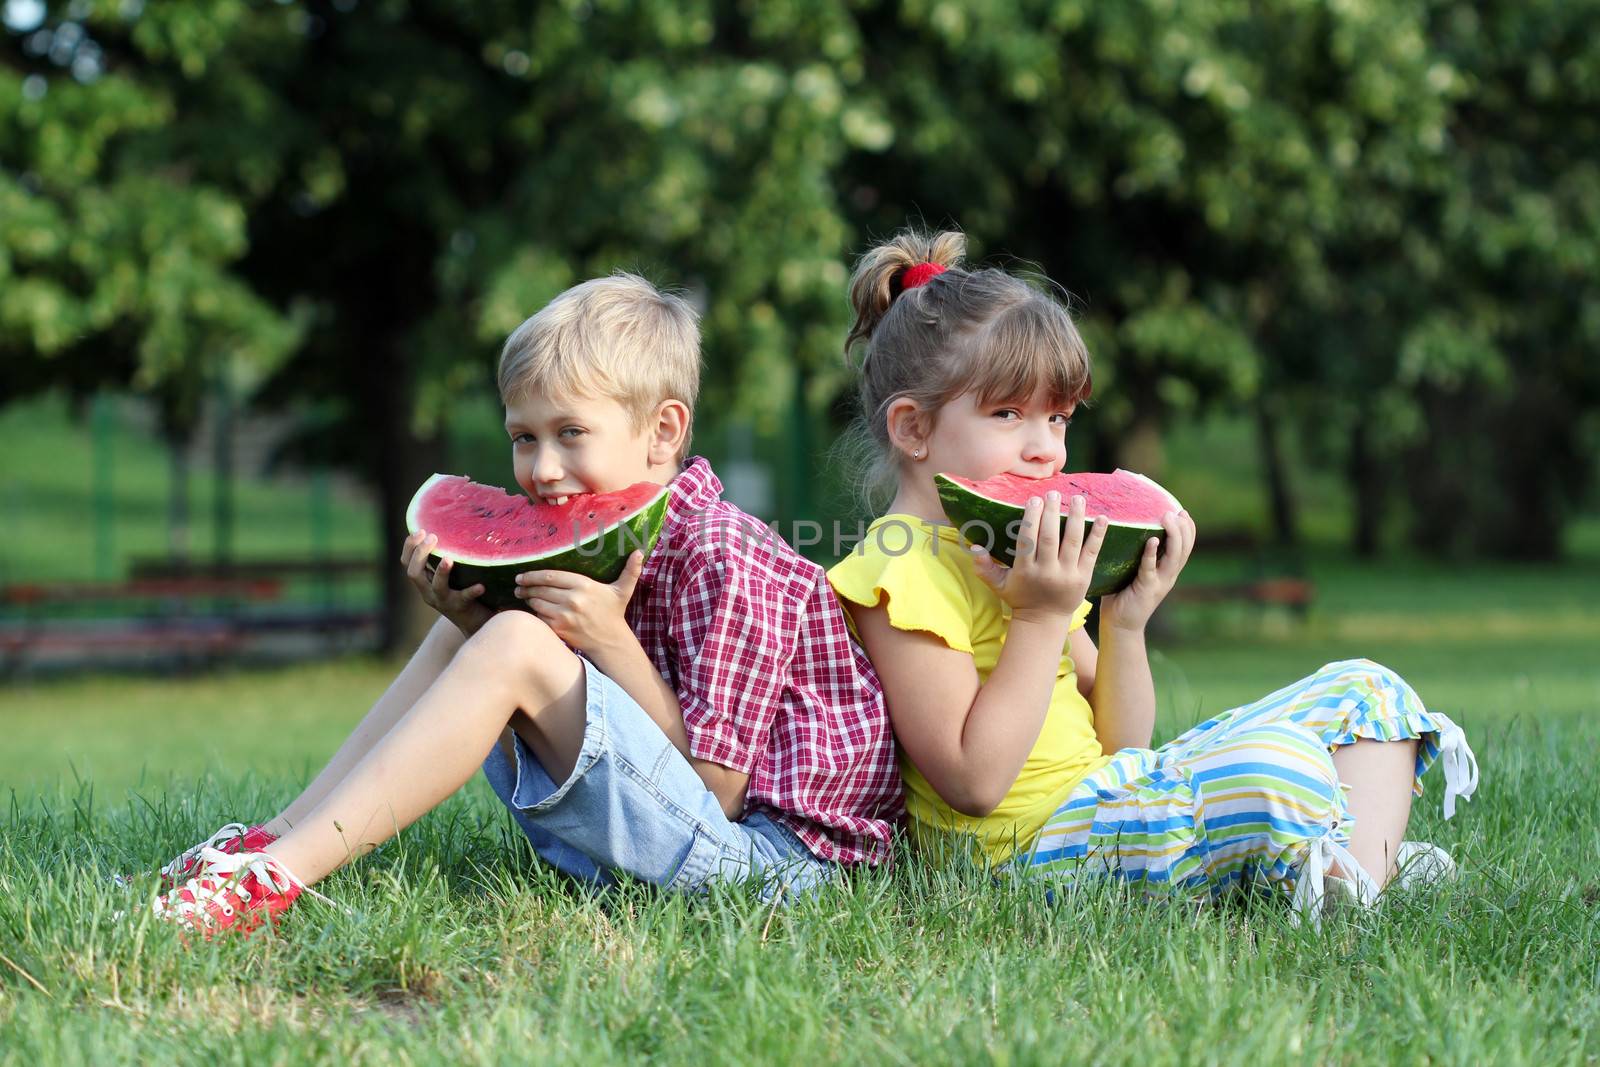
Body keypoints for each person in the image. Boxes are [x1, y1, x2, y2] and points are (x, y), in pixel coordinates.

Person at [148, 273, 902, 933]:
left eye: (571, 433)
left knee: (513, 643)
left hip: (779, 874)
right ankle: (269, 839)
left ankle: (272, 884)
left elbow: (718, 791)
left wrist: (607, 642)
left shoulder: (726, 557)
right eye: (523, 437)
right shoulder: (606, 545)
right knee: (479, 636)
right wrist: (473, 628)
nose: (541, 468)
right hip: (674, 837)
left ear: (662, 431)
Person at [824, 228, 1477, 920]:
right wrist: (1041, 617)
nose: (1045, 448)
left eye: (1059, 417)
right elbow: (974, 782)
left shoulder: (1015, 548)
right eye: (1008, 413)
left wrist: (1124, 620)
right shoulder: (897, 574)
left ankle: (1350, 876)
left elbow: (1123, 747)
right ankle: (1351, 862)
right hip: (1023, 857)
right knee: (1279, 765)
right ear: (913, 428)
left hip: (1110, 802)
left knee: (1367, 689)